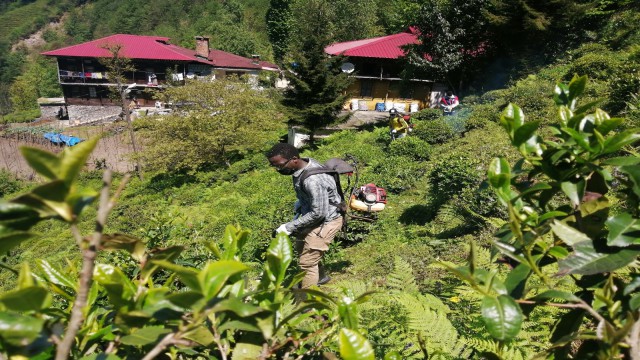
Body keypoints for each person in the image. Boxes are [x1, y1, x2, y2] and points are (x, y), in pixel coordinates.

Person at [267, 143, 343, 300]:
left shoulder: (312, 180)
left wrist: (289, 226)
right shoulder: (304, 165)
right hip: (313, 215)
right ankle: (320, 277)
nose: (279, 170)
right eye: (275, 167)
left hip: (327, 220)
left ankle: (309, 301)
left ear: (294, 159)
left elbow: (319, 213)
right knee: (301, 247)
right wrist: (300, 204)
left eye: (280, 166)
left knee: (307, 263)